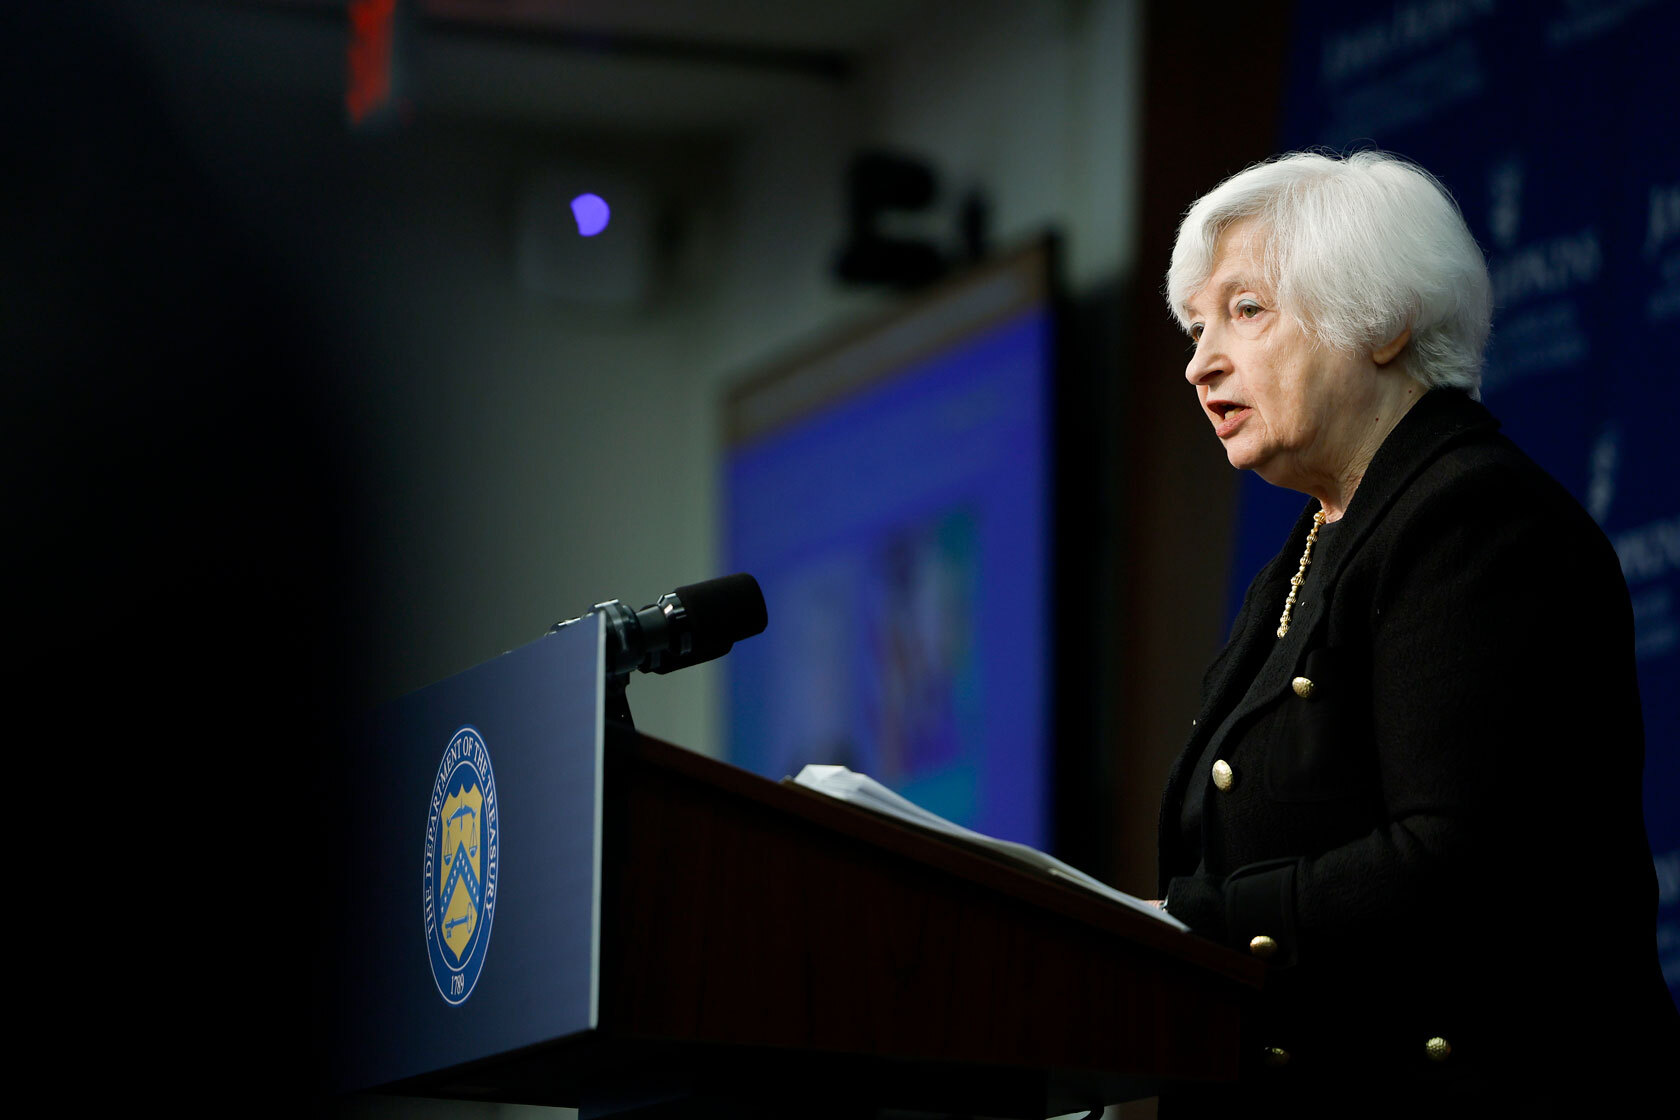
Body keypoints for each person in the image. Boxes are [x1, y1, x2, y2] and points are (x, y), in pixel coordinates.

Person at [1154, 151, 1677, 1117]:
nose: (1199, 362)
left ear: (1385, 321)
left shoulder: (1475, 519)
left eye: (1246, 310)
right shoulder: (1312, 549)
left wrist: (1187, 926)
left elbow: (1460, 857)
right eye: (1196, 327)